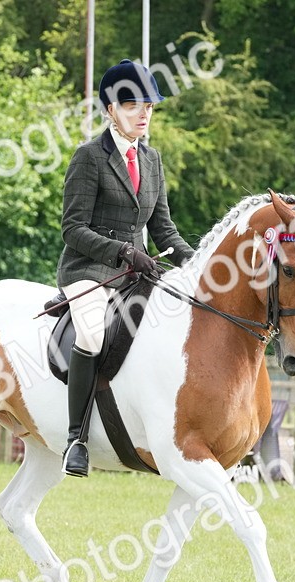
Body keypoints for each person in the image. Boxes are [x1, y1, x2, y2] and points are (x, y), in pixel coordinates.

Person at [55, 59, 196, 477]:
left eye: (149, 106)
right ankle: (75, 439)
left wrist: (195, 258)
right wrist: (121, 251)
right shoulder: (89, 157)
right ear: (110, 110)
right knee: (92, 332)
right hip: (90, 272)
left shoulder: (152, 160)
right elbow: (72, 229)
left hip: (139, 274)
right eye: (133, 104)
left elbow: (163, 228)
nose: (144, 113)